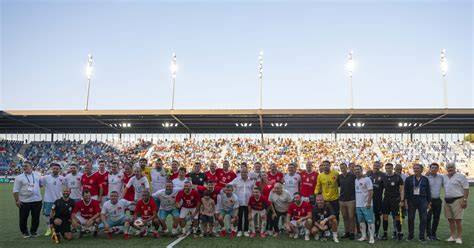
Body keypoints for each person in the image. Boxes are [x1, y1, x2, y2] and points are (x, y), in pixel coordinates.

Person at [13, 161, 42, 238]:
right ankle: (24, 232)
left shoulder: (37, 175)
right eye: (24, 166)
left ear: (31, 167)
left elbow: (40, 185)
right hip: (25, 201)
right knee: (23, 217)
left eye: (26, 166)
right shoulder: (19, 177)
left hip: (37, 200)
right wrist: (17, 200)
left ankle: (33, 231)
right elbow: (15, 190)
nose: (24, 168)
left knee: (36, 217)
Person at [443, 162, 469, 245]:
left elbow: (466, 188)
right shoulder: (444, 177)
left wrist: (465, 200)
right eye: (448, 168)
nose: (450, 169)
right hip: (447, 200)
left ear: (455, 168)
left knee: (458, 220)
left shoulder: (461, 176)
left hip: (458, 199)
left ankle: (459, 237)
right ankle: (453, 236)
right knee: (450, 219)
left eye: (452, 168)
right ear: (446, 169)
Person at [404, 164, 430, 243]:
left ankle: (421, 237)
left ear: (421, 170)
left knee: (423, 219)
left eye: (417, 168)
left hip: (423, 200)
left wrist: (429, 202)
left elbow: (428, 191)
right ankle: (410, 236)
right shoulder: (409, 179)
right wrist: (405, 201)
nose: (416, 169)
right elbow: (406, 191)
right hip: (411, 201)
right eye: (414, 168)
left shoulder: (425, 179)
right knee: (411, 218)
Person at [229, 165, 255, 237]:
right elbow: (229, 185)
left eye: (245, 172)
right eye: (242, 172)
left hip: (248, 202)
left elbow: (253, 190)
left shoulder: (251, 181)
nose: (243, 173)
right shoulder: (236, 180)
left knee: (247, 217)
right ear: (240, 173)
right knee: (239, 216)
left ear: (247, 172)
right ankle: (239, 230)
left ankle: (246, 231)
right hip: (239, 202)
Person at [381, 163, 404, 241]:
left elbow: (402, 189)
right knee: (385, 216)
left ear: (392, 168)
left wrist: (402, 200)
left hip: (395, 200)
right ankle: (385, 234)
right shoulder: (384, 177)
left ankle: (399, 233)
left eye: (389, 168)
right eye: (386, 168)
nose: (388, 170)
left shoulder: (398, 177)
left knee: (397, 217)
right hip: (386, 199)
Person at [41, 163, 65, 236]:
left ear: (59, 170)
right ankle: (48, 229)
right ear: (51, 169)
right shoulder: (45, 178)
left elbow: (67, 186)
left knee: (59, 215)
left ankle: (59, 229)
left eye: (57, 169)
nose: (55, 170)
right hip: (48, 200)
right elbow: (40, 185)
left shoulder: (62, 178)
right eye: (54, 168)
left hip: (58, 200)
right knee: (47, 216)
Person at [354, 165, 375, 244]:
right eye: (355, 170)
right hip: (358, 205)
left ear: (361, 170)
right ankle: (363, 236)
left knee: (370, 221)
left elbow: (371, 191)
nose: (356, 171)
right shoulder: (356, 180)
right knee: (361, 222)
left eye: (358, 169)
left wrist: (369, 202)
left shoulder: (367, 179)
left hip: (366, 204)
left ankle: (372, 237)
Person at [337, 162, 356, 240]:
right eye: (341, 168)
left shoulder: (352, 176)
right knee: (345, 217)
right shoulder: (339, 176)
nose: (342, 169)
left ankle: (352, 232)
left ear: (346, 168)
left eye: (344, 167)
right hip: (342, 200)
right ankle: (347, 232)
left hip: (351, 199)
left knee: (351, 217)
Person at [426, 162, 443, 241]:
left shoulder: (441, 177)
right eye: (432, 168)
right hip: (429, 201)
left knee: (436, 218)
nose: (434, 169)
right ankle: (428, 235)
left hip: (438, 200)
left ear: (438, 169)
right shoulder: (426, 177)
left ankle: (434, 234)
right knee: (428, 218)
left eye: (435, 168)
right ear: (430, 169)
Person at [369, 161, 385, 238]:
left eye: (377, 165)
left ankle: (376, 232)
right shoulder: (369, 173)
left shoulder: (383, 175)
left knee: (377, 216)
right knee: (367, 216)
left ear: (380, 166)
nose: (376, 166)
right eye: (375, 165)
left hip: (377, 199)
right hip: (368, 199)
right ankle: (367, 232)